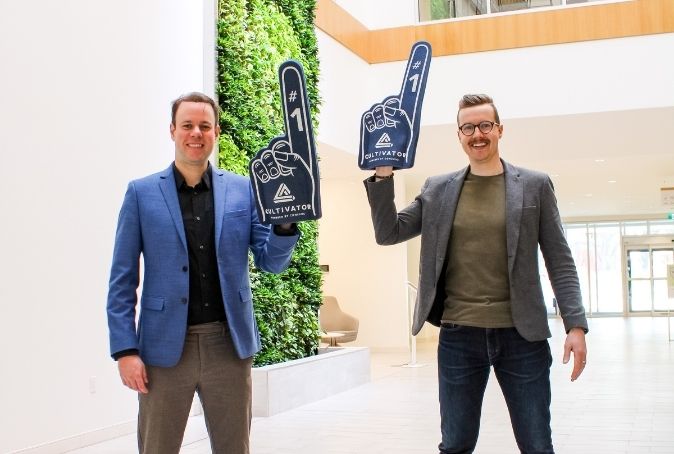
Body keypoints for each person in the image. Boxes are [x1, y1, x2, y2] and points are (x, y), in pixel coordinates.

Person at [364, 94, 588, 454]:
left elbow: (559, 258)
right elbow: (388, 232)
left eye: (485, 125)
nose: (477, 134)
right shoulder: (437, 189)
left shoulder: (534, 185)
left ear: (499, 130)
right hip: (458, 336)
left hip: (522, 336)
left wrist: (574, 324)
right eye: (468, 127)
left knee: (536, 444)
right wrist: (383, 172)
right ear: (459, 135)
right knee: (455, 445)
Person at [106, 92, 299, 454]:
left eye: (205, 126)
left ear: (216, 132)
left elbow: (271, 262)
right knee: (157, 448)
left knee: (233, 448)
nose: (196, 133)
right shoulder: (141, 194)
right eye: (188, 125)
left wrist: (284, 225)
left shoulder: (244, 191)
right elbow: (122, 280)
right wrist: (125, 350)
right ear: (173, 131)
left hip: (228, 345)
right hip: (163, 350)